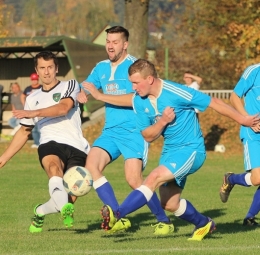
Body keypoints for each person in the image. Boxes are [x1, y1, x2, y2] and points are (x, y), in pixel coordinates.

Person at [99, 59, 259, 241]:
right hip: (170, 151)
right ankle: (203, 223)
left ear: (150, 79)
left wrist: (242, 119)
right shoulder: (139, 101)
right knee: (169, 203)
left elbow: (214, 102)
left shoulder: (176, 92)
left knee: (153, 177)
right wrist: (162, 121)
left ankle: (117, 214)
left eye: (136, 82)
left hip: (192, 150)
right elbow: (147, 136)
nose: (133, 87)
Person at [78, 25, 174, 235]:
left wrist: (100, 96)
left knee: (134, 180)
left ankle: (163, 220)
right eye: (108, 42)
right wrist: (82, 93)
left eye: (115, 42)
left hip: (134, 131)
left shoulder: (134, 68)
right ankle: (116, 217)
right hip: (110, 131)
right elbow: (87, 84)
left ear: (125, 44)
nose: (110, 46)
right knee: (91, 165)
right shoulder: (101, 67)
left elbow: (134, 99)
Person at [0, 51, 90, 233]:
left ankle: (39, 211)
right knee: (53, 168)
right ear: (37, 70)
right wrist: (3, 158)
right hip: (50, 143)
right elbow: (24, 132)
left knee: (64, 201)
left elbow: (63, 108)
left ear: (56, 68)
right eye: (42, 68)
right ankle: (58, 208)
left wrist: (33, 113)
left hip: (77, 146)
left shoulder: (70, 85)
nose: (46, 72)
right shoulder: (32, 98)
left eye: (50, 67)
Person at [219, 63, 260, 226]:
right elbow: (234, 97)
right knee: (258, 179)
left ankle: (249, 218)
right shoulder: (254, 71)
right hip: (253, 134)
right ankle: (231, 179)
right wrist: (247, 120)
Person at [21, 72, 42, 148]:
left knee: (40, 128)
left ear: (38, 80)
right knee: (34, 129)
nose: (34, 81)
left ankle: (42, 143)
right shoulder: (28, 89)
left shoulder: (41, 87)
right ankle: (36, 143)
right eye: (33, 80)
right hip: (30, 112)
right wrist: (25, 106)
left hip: (40, 111)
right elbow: (22, 96)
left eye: (35, 79)